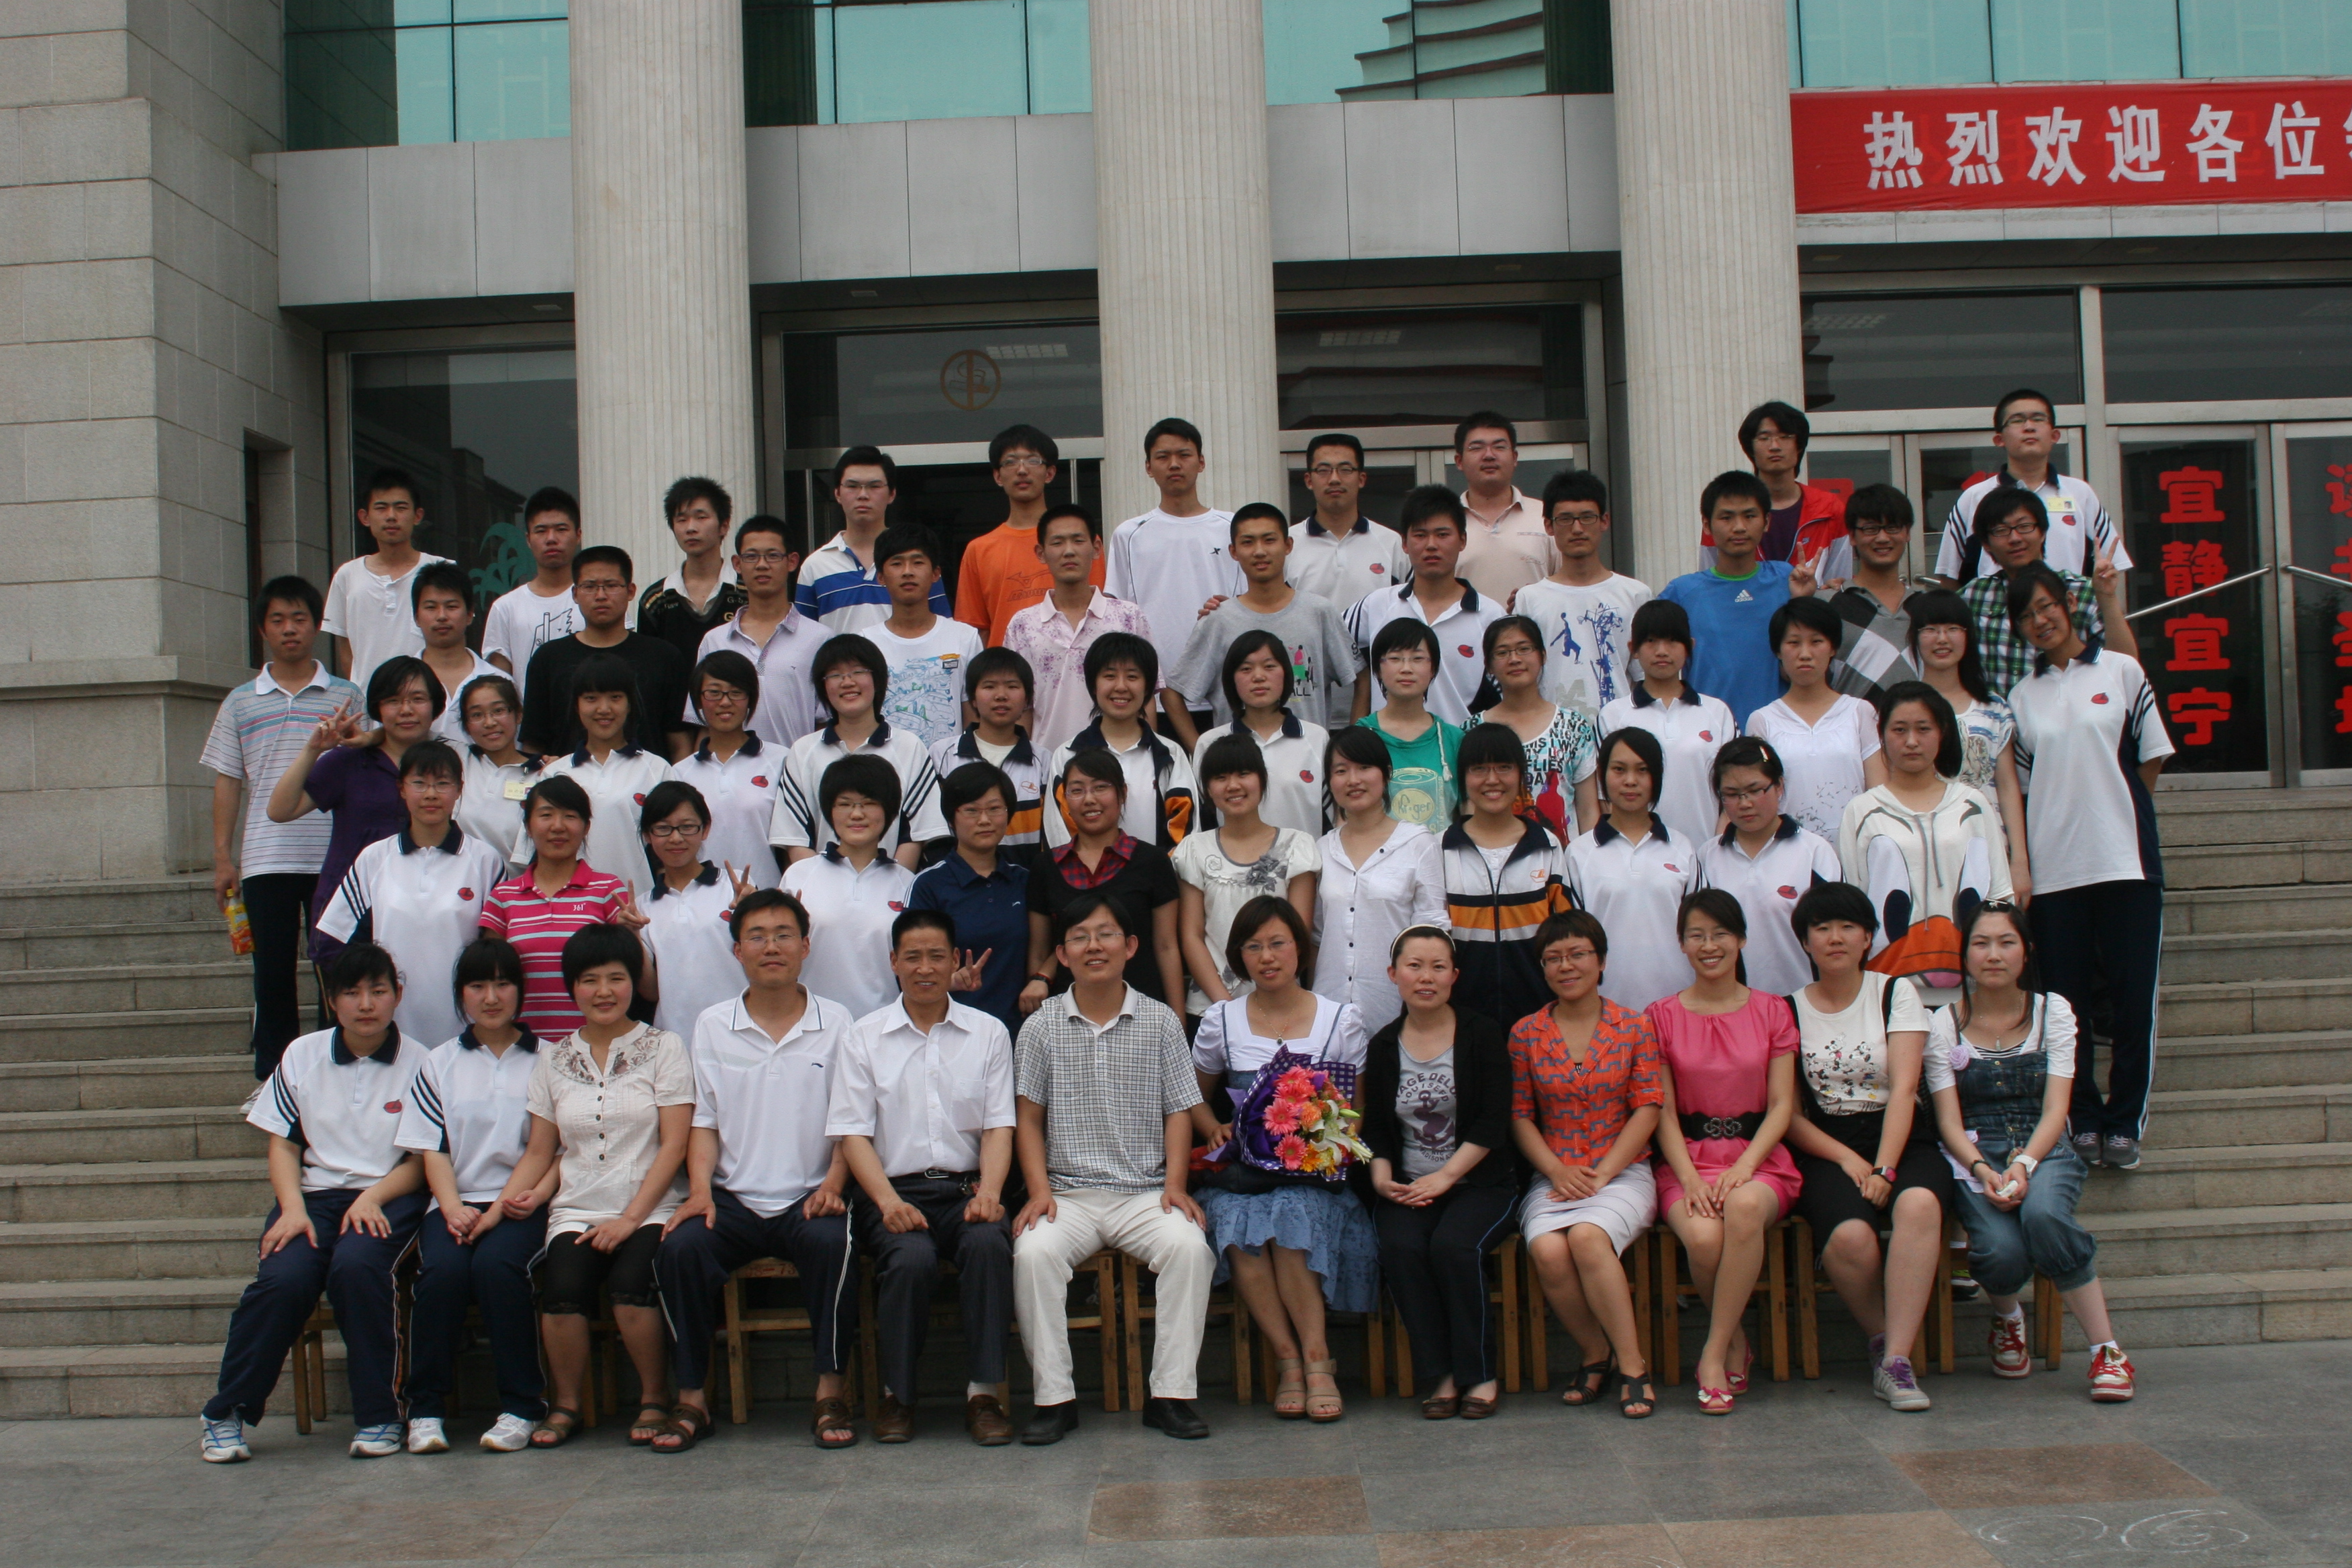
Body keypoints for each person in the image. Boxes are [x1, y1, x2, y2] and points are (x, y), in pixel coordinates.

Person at [198, 941, 426, 1463]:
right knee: (283, 1279)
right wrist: (293, 1208)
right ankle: (226, 1412)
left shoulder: (422, 1062)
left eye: (378, 991)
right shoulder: (302, 1054)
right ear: (331, 1000)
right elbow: (284, 1143)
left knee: (357, 1268)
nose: (365, 1004)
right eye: (352, 993)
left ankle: (380, 1416)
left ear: (397, 995)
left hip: (387, 1196)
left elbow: (422, 1161)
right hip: (313, 1198)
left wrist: (373, 1196)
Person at [655, 888, 861, 1452]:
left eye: (784, 935)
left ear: (806, 947)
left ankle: (829, 1391)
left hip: (810, 1194)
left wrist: (833, 1186)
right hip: (733, 1199)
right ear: (737, 950)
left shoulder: (837, 1021)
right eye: (757, 937)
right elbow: (703, 1121)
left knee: (834, 1244)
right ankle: (692, 1398)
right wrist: (700, 1191)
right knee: (679, 1249)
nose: (772, 947)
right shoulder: (712, 1025)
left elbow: (851, 1120)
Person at [1013, 893, 1215, 1444]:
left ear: (1130, 946)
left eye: (1105, 934)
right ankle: (1054, 1400)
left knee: (1190, 1248)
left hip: (1144, 1193)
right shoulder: (1041, 1027)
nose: (1093, 946)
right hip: (1068, 1195)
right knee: (1032, 1254)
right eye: (1079, 937)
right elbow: (1028, 1119)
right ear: (1062, 954)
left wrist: (1176, 1185)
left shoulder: (1161, 1022)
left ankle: (1171, 1397)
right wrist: (1038, 1191)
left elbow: (1179, 1110)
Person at [1925, 901, 2136, 1402]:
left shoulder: (2052, 1011)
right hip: (1974, 1154)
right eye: (1981, 944)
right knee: (1999, 1252)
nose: (1993, 955)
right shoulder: (1942, 1024)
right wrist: (1983, 1170)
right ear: (1965, 955)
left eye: (2007, 943)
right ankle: (2007, 1319)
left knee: (2043, 1216)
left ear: (2027, 952)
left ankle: (2107, 1351)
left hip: (2042, 1146)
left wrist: (2023, 1165)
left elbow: (2057, 1109)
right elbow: (1948, 1122)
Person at [828, 908, 1020, 1444]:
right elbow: (853, 1134)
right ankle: (898, 1397)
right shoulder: (864, 1037)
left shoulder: (988, 1033)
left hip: (966, 1189)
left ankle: (984, 1394)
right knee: (910, 1260)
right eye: (912, 957)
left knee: (988, 1244)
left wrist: (991, 1193)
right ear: (893, 962)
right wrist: (888, 1203)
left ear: (955, 960)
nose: (925, 968)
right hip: (894, 1192)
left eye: (937, 956)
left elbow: (999, 1127)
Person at [498, 923, 691, 1449]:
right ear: (572, 987)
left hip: (650, 1205)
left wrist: (630, 1219)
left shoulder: (664, 1047)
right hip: (579, 1206)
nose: (603, 991)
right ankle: (566, 1405)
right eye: (589, 980)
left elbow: (674, 1144)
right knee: (562, 1290)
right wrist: (520, 1200)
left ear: (633, 983)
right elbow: (543, 1150)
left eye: (616, 978)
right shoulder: (554, 1058)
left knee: (631, 1285)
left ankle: (654, 1397)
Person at [2006, 564, 2173, 1171]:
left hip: (2126, 863)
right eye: (2027, 615)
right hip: (2055, 875)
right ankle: (2083, 1116)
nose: (2041, 621)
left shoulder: (2123, 672)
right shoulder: (2020, 698)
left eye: (2047, 606)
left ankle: (2125, 1123)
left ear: (2068, 605)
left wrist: (2117, 809)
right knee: (2065, 1006)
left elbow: (2150, 759)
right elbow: (2026, 789)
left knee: (2132, 1002)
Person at [1192, 897, 1377, 1423]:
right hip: (1242, 1176)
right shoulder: (1221, 1020)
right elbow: (1193, 1097)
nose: (1267, 957)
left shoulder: (1340, 1019)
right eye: (1253, 947)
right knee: (1237, 1222)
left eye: (1278, 944)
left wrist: (1323, 1144)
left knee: (1291, 1213)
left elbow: (1354, 1112)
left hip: (1313, 1175)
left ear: (1300, 949)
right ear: (1239, 956)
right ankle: (1288, 1360)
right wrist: (1213, 1127)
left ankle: (1318, 1360)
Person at [1783, 883, 1949, 1413]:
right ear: (1805, 941)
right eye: (1822, 928)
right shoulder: (1787, 1010)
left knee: (1918, 1204)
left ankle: (1897, 1361)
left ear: (1868, 938)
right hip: (1828, 1143)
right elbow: (1788, 1114)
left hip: (1901, 1137)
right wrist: (1848, 1160)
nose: (1835, 938)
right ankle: (1883, 1340)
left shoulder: (1894, 992)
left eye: (1848, 927)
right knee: (1851, 1238)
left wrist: (1884, 1167)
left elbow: (1904, 1088)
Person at [395, 937, 552, 1455]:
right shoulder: (437, 1062)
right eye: (478, 985)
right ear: (461, 994)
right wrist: (452, 1208)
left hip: (523, 1202)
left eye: (503, 984)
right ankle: (425, 1410)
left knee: (497, 1268)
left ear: (520, 991)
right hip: (454, 1201)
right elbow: (432, 1149)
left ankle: (522, 1407)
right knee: (441, 1274)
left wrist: (499, 1210)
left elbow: (547, 1150)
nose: (491, 997)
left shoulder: (550, 1059)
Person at [1647, 889, 1801, 1414]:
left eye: (1720, 934)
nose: (1709, 945)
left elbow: (1782, 1105)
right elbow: (1662, 1110)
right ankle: (1734, 1339)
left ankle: (1712, 1355)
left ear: (1741, 940)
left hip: (1759, 1159)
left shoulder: (1772, 1010)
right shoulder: (1661, 1016)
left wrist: (1746, 1165)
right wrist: (1690, 1177)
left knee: (1744, 1206)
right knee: (1704, 1237)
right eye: (1697, 935)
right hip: (1686, 1158)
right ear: (1681, 944)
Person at [203, 576, 362, 1077]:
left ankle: (334, 1070)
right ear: (262, 629)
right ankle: (275, 1077)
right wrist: (223, 859)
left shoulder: (346, 696)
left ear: (316, 626)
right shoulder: (240, 701)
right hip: (266, 858)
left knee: (334, 968)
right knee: (271, 971)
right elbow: (228, 781)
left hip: (334, 856)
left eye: (299, 619)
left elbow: (363, 767)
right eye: (278, 620)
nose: (289, 629)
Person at [1511, 910, 1663, 1419]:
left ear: (1601, 961)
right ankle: (1596, 1353)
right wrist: (1556, 1171)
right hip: (1555, 1172)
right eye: (1553, 958)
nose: (1566, 966)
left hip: (1623, 1170)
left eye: (1577, 954)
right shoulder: (1526, 1033)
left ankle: (1634, 1367)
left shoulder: (1634, 1026)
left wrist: (1604, 1173)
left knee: (1588, 1238)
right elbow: (1520, 1115)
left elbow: (1648, 1106)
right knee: (1548, 1249)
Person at [1363, 926, 1518, 1420]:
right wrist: (1382, 1177)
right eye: (1414, 966)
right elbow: (1377, 1129)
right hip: (1410, 1185)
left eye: (1437, 967)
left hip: (1480, 1183)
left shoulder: (1481, 1033)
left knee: (1453, 1247)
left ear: (1455, 975)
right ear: (1394, 974)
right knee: (1401, 1247)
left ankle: (1480, 1373)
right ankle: (1444, 1374)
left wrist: (1447, 1177)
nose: (1425, 977)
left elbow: (1494, 1121)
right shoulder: (1383, 1045)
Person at [314, 739, 505, 1046]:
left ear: (460, 789)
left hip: (464, 1028)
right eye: (419, 783)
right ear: (401, 789)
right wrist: (367, 999)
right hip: (390, 1031)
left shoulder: (486, 860)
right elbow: (334, 941)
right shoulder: (374, 858)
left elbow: (498, 950)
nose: (431, 794)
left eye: (442, 783)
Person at [1839, 683, 2015, 1006]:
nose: (1911, 741)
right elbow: (1854, 902)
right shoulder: (1861, 811)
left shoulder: (1972, 805)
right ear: (1882, 735)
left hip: (1971, 992)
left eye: (1923, 729)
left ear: (1942, 733)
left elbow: (2000, 895)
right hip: (1889, 990)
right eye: (1899, 730)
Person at [267, 654, 444, 966]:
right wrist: (313, 749)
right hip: (349, 913)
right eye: (393, 701)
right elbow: (280, 810)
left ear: (435, 705)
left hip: (425, 910)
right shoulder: (349, 761)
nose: (406, 710)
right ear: (377, 708)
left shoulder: (450, 762)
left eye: (417, 699)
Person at [1170, 502, 1359, 736]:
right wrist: (1201, 749)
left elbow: (1361, 678)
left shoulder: (1320, 612)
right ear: (1234, 551)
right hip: (1239, 756)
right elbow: (1173, 692)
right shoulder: (1218, 620)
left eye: (1269, 540)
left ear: (1288, 545)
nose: (1259, 551)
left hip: (1308, 756)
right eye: (1248, 542)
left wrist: (1352, 745)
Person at [1024, 750, 1186, 1012]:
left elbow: (1166, 947)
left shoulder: (1153, 861)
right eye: (1077, 790)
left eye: (1101, 787)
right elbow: (1039, 951)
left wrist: (1177, 1019)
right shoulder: (1046, 866)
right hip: (1068, 1011)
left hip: (1143, 1010)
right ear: (1065, 799)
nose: (1089, 799)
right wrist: (1039, 990)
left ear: (1122, 794)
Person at [1105, 418, 1240, 731]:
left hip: (1226, 691)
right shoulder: (1128, 534)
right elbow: (1117, 615)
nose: (1174, 464)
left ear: (1201, 462)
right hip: (1152, 696)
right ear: (1149, 467)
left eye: (1184, 455)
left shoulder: (1232, 528)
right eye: (1163, 457)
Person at [1174, 735, 1322, 1019]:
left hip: (1281, 1006)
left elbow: (1298, 933)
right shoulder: (1194, 849)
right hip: (1212, 1010)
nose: (1233, 786)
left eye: (1243, 774)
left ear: (1262, 780)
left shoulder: (1296, 846)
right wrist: (1227, 1008)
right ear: (1207, 789)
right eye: (1221, 778)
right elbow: (1191, 935)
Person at [1659, 472, 1821, 728]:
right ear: (1707, 525)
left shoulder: (1788, 580)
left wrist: (1805, 601)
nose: (1739, 527)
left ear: (1767, 521)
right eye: (1726, 517)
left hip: (1780, 731)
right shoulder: (1682, 592)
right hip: (1707, 732)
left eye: (1750, 516)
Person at [771, 634, 946, 869]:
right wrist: (821, 883)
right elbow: (793, 837)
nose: (847, 682)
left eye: (858, 672)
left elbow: (918, 833)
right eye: (835, 675)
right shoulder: (803, 751)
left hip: (893, 885)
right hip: (818, 888)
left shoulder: (909, 746)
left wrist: (891, 884)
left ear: (878, 679)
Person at [1314, 726, 1445, 1036]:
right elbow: (1317, 937)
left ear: (1386, 774)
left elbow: (1433, 933)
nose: (1353, 780)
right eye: (1341, 771)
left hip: (1394, 1010)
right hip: (1329, 1012)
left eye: (1364, 767)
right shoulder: (1322, 849)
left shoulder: (1418, 844)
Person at [478, 776, 631, 1039]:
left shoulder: (609, 890)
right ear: (528, 826)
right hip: (525, 1046)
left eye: (570, 816)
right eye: (546, 815)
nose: (558, 826)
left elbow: (637, 979)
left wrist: (633, 935)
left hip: (595, 1045)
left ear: (586, 827)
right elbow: (490, 977)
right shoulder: (503, 896)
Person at [1443, 724, 1575, 1028]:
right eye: (1479, 769)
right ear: (1463, 777)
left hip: (1538, 1018)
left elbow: (1566, 933)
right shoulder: (1441, 849)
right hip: (1461, 1021)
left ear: (1521, 775)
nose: (1492, 780)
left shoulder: (1546, 845)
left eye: (1504, 767)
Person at [1003, 503, 1156, 758]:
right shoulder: (1023, 624)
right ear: (1041, 553)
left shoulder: (1129, 617)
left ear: (1096, 548)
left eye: (1078, 541)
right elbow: (1020, 707)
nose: (1069, 551)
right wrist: (1024, 766)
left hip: (1120, 762)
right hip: (1048, 762)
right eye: (1057, 543)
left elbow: (1147, 697)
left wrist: (1146, 758)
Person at [1696, 736, 1842, 999]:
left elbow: (1837, 932)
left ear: (1779, 786)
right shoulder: (1707, 857)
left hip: (1803, 1005)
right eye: (1732, 794)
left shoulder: (1815, 852)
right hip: (1731, 1008)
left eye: (1755, 790)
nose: (1744, 804)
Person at [1345, 486, 1502, 728]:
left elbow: (1506, 696)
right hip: (1385, 749)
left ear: (1462, 540)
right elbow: (1327, 645)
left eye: (1442, 535)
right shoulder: (1375, 605)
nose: (1431, 545)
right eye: (1420, 535)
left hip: (1459, 748)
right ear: (1405, 543)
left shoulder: (1491, 616)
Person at [1934, 389, 2127, 585]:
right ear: (1999, 439)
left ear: (2054, 435)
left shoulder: (2081, 493)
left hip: (2070, 604)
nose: (2029, 427)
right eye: (2017, 420)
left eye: (2038, 419)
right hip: (1995, 604)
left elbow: (2110, 567)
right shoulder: (1975, 497)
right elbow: (1949, 575)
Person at [1909, 591, 2032, 897]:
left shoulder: (1994, 708)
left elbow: (2007, 787)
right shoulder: (1902, 708)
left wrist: (2019, 861)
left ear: (1968, 636)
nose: (1942, 639)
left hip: (1988, 847)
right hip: (1923, 851)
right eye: (1931, 629)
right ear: (1915, 638)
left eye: (1953, 629)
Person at [519, 546, 693, 761]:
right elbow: (533, 742)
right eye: (589, 586)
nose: (601, 596)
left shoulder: (664, 657)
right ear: (575, 593)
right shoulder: (548, 658)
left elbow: (679, 741)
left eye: (611, 586)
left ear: (631, 591)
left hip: (648, 780)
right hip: (566, 779)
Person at [1567, 729, 1698, 1013]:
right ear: (1603, 775)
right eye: (1619, 769)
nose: (1630, 781)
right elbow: (1571, 940)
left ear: (1657, 777)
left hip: (1679, 1007)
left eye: (1642, 770)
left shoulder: (1682, 848)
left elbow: (1700, 930)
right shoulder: (1579, 853)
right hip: (1605, 1011)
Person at [783, 755, 921, 1022]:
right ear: (830, 811)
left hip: (886, 1028)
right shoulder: (799, 876)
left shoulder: (908, 883)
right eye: (845, 804)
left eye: (869, 803)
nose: (857, 814)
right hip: (812, 1026)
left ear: (889, 811)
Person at [1960, 488, 2137, 696]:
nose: (2015, 538)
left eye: (2024, 527)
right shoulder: (1973, 596)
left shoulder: (2083, 591)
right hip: (1996, 714)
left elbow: (2125, 665)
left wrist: (2107, 597)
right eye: (2001, 530)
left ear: (2043, 532)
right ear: (1986, 544)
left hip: (2069, 709)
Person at [529, 654, 678, 898]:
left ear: (630, 704)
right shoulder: (554, 773)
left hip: (638, 906)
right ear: (576, 705)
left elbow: (672, 852)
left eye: (615, 697)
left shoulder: (657, 769)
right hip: (569, 910)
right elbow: (533, 854)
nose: (604, 709)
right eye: (591, 698)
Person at [1599, 599, 1741, 850]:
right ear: (1633, 648)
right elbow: (1605, 799)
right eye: (1651, 641)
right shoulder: (1613, 715)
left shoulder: (1718, 712)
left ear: (1690, 647)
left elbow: (1736, 786)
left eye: (1673, 641)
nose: (1662, 651)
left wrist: (1716, 849)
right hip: (1637, 856)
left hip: (1707, 854)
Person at [1744, 595, 1888, 840]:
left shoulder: (1860, 712)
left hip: (1855, 847)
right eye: (1794, 643)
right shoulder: (1762, 721)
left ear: (1833, 648)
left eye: (1816, 642)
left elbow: (1879, 792)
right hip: (1789, 850)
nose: (1805, 654)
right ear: (1778, 650)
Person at [1511, 469, 1651, 718]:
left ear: (1604, 521)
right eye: (1565, 519)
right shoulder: (1530, 599)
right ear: (1549, 525)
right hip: (1552, 730)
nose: (1577, 529)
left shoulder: (1635, 595)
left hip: (1620, 730)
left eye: (1587, 518)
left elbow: (1646, 676)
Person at [1042, 632, 1199, 852]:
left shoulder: (1170, 754)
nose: (1121, 687)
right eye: (1110, 676)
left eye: (1132, 677)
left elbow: (1187, 834)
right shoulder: (1068, 754)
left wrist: (1161, 871)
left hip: (1157, 874)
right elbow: (1057, 832)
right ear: (1093, 685)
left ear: (1147, 687)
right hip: (1085, 874)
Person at [908, 763, 1032, 1035]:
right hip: (950, 1031)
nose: (984, 820)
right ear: (951, 818)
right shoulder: (929, 885)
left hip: (1017, 1031)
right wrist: (950, 981)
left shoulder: (1025, 881)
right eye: (971, 810)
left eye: (995, 809)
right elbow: (910, 965)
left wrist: (1041, 979)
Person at [692, 512, 823, 752]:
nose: (762, 565)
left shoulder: (819, 639)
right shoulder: (715, 640)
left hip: (796, 769)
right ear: (737, 564)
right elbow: (703, 723)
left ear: (792, 562)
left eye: (773, 555)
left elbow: (826, 722)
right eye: (751, 556)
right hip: (729, 770)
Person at [956, 425, 1096, 647]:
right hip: (1006, 666)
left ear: (1050, 473)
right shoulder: (979, 550)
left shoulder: (1081, 543)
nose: (1022, 470)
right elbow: (974, 632)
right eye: (1010, 462)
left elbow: (1100, 612)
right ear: (997, 476)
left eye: (1033, 461)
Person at [1189, 629, 1331, 839]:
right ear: (1231, 679)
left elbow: (1334, 816)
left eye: (1269, 666)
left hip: (1304, 859)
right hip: (1232, 860)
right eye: (1246, 669)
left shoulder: (1316, 738)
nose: (1258, 677)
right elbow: (1203, 820)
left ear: (1286, 673)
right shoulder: (1210, 743)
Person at [795, 446, 952, 634]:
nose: (863, 495)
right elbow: (803, 639)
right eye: (852, 486)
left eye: (874, 486)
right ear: (837, 493)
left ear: (892, 494)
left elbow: (943, 631)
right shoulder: (815, 566)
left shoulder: (917, 562)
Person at [638, 780, 751, 1037]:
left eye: (687, 827)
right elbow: (651, 992)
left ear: (705, 829)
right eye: (663, 828)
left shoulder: (735, 888)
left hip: (739, 1033)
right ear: (647, 835)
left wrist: (753, 912)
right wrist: (632, 934)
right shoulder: (643, 907)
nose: (676, 838)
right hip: (674, 1040)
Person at [324, 467, 450, 688]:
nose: (391, 516)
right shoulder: (348, 575)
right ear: (364, 517)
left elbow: (455, 640)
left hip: (431, 700)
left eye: (401, 508)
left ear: (418, 516)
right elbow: (346, 649)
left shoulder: (443, 570)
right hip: (368, 703)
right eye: (381, 508)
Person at [1477, 615, 1600, 839]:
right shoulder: (1473, 730)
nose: (1514, 659)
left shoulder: (1573, 726)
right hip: (1496, 855)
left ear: (1542, 655)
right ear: (1489, 665)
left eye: (1524, 649)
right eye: (1502, 653)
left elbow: (1588, 809)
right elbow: (1469, 807)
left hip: (1562, 857)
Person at [672, 650, 784, 891]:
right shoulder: (680, 774)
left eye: (736, 692)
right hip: (701, 900)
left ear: (751, 698)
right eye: (714, 693)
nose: (725, 702)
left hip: (767, 896)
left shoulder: (781, 761)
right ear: (698, 700)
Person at [865, 524, 984, 750]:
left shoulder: (965, 637)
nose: (907, 572)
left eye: (918, 562)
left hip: (950, 767)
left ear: (936, 574)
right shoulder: (866, 643)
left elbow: (974, 713)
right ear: (880, 576)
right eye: (897, 564)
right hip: (884, 766)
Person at [930, 648, 1047, 866]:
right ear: (973, 698)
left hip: (1024, 881)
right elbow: (933, 830)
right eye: (989, 686)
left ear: (1027, 698)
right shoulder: (942, 754)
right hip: (956, 881)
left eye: (1012, 686)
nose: (1001, 695)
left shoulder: (1043, 761)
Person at [1706, 401, 1850, 577]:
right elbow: (1710, 579)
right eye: (1764, 438)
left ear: (1799, 446)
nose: (1775, 446)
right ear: (1750, 448)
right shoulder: (1724, 511)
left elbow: (1839, 582)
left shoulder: (1830, 509)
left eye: (1785, 436)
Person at [1353, 620, 1463, 829]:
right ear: (1378, 668)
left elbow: (1469, 811)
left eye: (1417, 659)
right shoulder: (1359, 738)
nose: (1406, 668)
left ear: (1433, 668)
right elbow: (1346, 814)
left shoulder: (1454, 739)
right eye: (1395, 658)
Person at [1287, 434, 1407, 622]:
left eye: (1345, 470)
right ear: (1309, 480)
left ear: (1361, 479)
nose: (1334, 479)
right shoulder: (1286, 545)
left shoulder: (1391, 543)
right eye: (1324, 470)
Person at [1824, 483, 1925, 707]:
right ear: (1852, 536)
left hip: (1917, 727)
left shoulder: (1927, 607)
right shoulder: (1828, 604)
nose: (1882, 538)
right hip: (1851, 728)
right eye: (1870, 529)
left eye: (1892, 528)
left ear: (1908, 533)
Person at [638, 478, 749, 669]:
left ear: (724, 525)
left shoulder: (747, 592)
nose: (690, 528)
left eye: (701, 517)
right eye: (682, 520)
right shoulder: (656, 600)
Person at [483, 487, 583, 698]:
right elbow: (498, 689)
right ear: (528, 539)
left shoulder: (597, 599)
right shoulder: (506, 608)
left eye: (561, 529)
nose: (551, 539)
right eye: (541, 531)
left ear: (578, 535)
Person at [1453, 411, 1556, 602]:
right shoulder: (1446, 523)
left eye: (1499, 447)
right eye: (1477, 448)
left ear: (1515, 457)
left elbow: (1567, 587)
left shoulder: (1546, 517)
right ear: (1459, 461)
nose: (1489, 456)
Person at [411, 563, 499, 745]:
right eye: (431, 607)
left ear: (470, 614)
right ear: (416, 617)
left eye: (451, 606)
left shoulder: (497, 680)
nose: (442, 616)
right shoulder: (400, 683)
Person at [452, 674, 535, 865]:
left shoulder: (542, 773)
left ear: (518, 714)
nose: (489, 722)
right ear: (466, 724)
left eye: (499, 711)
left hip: (515, 882)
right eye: (477, 715)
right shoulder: (456, 757)